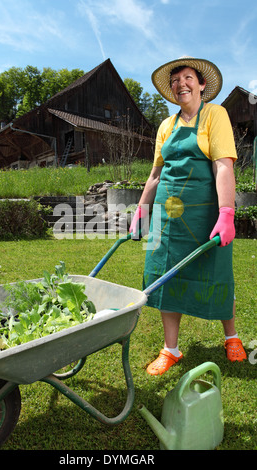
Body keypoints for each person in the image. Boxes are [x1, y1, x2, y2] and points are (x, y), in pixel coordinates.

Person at [130, 56, 247, 376]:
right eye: (175, 80)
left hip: (204, 214)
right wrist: (141, 211)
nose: (180, 83)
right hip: (166, 219)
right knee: (165, 275)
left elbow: (223, 165)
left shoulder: (215, 114)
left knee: (218, 273)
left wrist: (226, 212)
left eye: (187, 77)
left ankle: (232, 337)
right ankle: (171, 348)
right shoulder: (166, 126)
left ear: (201, 85)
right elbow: (155, 174)